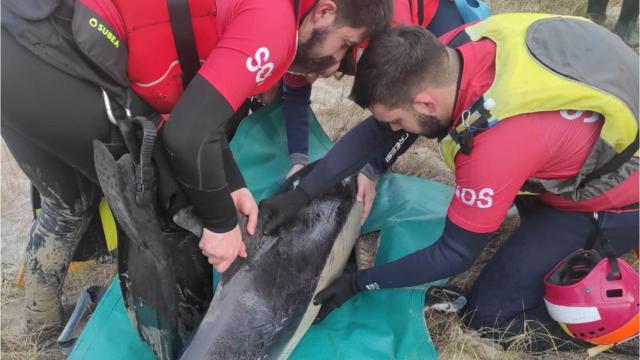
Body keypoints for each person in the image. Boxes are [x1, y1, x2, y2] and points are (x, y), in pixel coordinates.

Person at [1, 0, 393, 332]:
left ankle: (40, 325)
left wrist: (234, 184)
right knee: (154, 191)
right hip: (50, 50)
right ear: (324, 11)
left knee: (68, 201)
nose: (335, 63)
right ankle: (169, 335)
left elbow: (191, 105)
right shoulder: (274, 27)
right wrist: (221, 226)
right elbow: (185, 136)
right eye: (345, 44)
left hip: (20, 34)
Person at [259, 15, 639, 351]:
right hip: (584, 142)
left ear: (425, 104)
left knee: (489, 319)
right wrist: (304, 193)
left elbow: (455, 253)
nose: (394, 132)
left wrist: (360, 283)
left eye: (397, 122)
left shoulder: (493, 147)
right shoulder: (457, 49)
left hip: (613, 204)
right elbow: (376, 131)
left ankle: (624, 324)